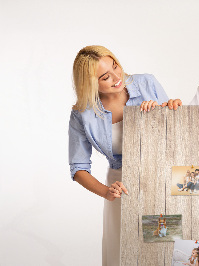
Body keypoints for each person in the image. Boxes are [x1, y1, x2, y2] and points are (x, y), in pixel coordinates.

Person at [68, 45, 181, 266]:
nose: (116, 77)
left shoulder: (146, 83)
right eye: (105, 77)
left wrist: (166, 111)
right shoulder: (82, 113)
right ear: (91, 84)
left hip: (159, 182)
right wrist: (107, 192)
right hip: (121, 188)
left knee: (162, 250)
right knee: (124, 254)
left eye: (115, 66)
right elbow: (78, 167)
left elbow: (175, 137)